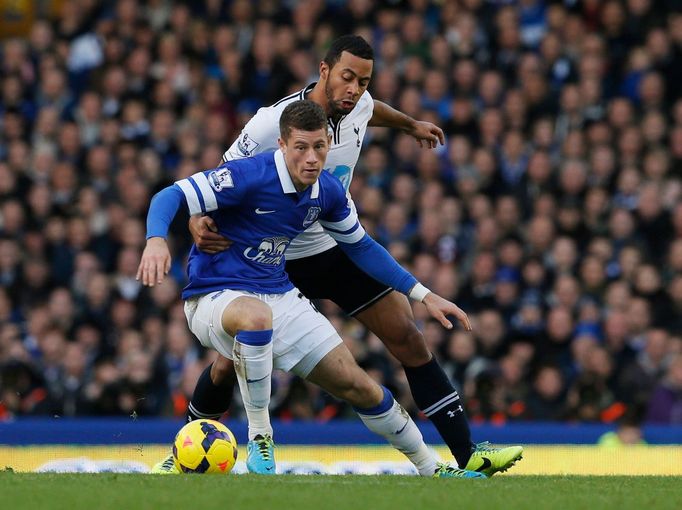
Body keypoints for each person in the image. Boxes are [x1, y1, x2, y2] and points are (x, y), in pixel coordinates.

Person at [160, 35, 523, 475]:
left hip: (333, 246)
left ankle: (468, 455)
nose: (354, 89)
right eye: (347, 77)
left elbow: (375, 111)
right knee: (231, 360)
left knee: (406, 334)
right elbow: (221, 178)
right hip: (273, 260)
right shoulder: (269, 124)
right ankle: (182, 451)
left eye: (364, 81)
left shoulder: (361, 107)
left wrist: (409, 125)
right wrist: (197, 217)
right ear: (324, 70)